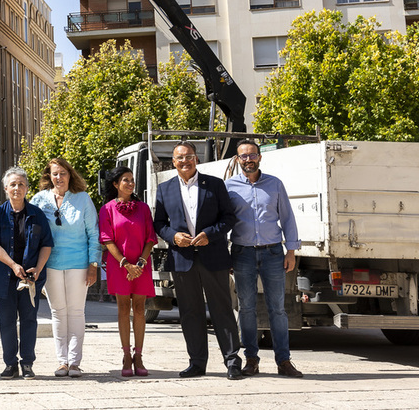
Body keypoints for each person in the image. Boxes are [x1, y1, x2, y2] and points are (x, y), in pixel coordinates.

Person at [154, 141, 242, 380]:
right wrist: (173, 237)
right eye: (179, 158)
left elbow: (228, 218)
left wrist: (209, 235)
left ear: (196, 159)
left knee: (222, 310)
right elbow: (159, 224)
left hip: (213, 256)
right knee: (190, 313)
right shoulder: (164, 189)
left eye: (189, 156)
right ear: (173, 162)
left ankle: (233, 362)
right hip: (182, 259)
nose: (185, 161)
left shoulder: (214, 184)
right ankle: (197, 363)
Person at [225, 139, 303, 378]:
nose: (248, 160)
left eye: (252, 155)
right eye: (243, 156)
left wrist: (291, 251)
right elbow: (223, 221)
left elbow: (288, 219)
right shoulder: (228, 187)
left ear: (260, 157)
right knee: (247, 308)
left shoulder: (275, 184)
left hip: (272, 254)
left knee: (277, 309)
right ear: (238, 160)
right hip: (242, 253)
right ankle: (251, 360)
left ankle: (284, 361)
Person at [29, 158, 101, 377]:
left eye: (63, 173)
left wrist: (93, 264)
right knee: (58, 313)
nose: (59, 177)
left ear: (70, 175)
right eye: (54, 174)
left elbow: (93, 234)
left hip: (79, 264)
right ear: (48, 176)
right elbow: (32, 232)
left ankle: (75, 362)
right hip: (50, 264)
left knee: (76, 311)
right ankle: (62, 362)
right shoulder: (40, 200)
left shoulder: (83, 199)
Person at [0, 167, 53, 380]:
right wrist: (13, 265)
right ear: (6, 188)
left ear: (27, 188)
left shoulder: (37, 214)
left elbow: (47, 245)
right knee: (6, 322)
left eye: (21, 184)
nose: (17, 188)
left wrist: (39, 269)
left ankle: (27, 364)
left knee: (29, 320)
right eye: (13, 184)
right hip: (3, 278)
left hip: (30, 281)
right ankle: (10, 364)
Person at [99, 166, 156, 377]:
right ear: (116, 184)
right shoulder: (107, 209)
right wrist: (125, 264)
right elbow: (107, 239)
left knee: (140, 308)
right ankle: (125, 356)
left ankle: (138, 355)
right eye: (125, 180)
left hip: (141, 265)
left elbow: (151, 238)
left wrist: (140, 263)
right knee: (123, 308)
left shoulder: (143, 209)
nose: (131, 183)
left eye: (132, 179)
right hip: (119, 265)